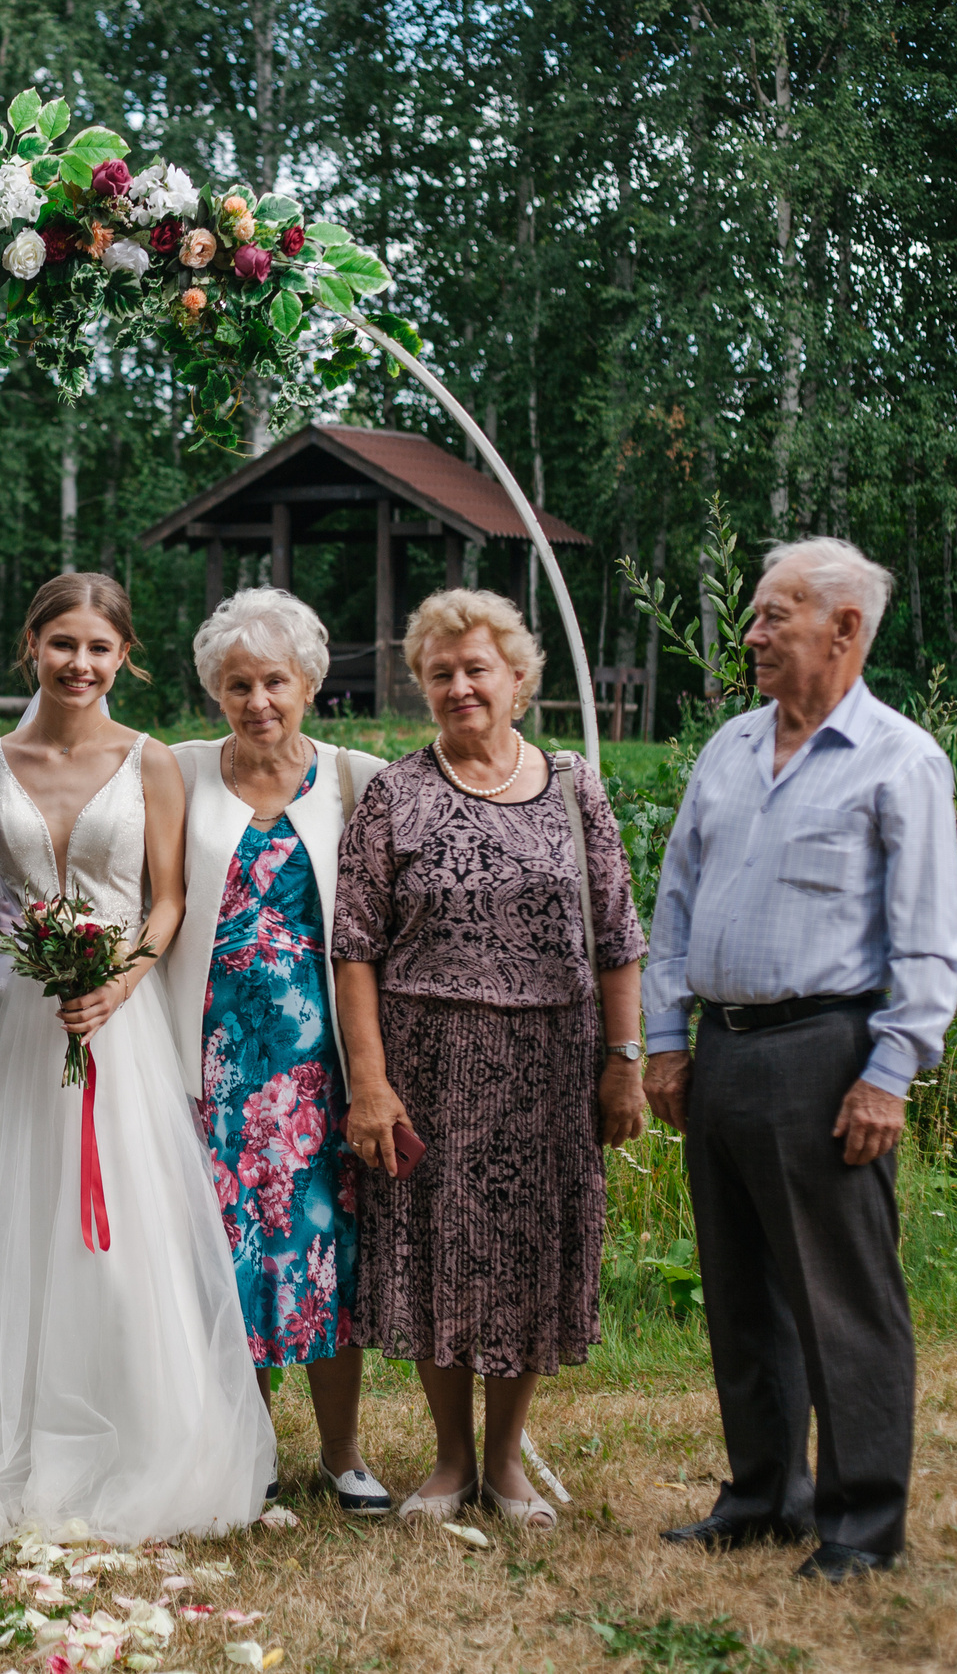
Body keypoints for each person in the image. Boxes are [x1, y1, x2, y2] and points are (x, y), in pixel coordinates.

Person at [0, 573, 275, 1546]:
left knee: (115, 1238)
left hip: (110, 1025)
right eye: (62, 645)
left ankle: (133, 1436)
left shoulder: (150, 764)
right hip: (7, 1024)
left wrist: (119, 981)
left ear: (123, 657)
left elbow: (167, 899)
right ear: (29, 648)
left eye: (99, 648)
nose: (80, 664)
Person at [644, 538, 957, 1583]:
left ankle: (862, 1525)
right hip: (722, 1052)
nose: (753, 634)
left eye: (775, 614)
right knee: (740, 1293)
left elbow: (925, 938)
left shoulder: (899, 760)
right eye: (755, 614)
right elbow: (676, 902)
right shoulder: (729, 748)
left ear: (844, 629)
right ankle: (758, 1496)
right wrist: (662, 1039)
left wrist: (890, 1072)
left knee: (842, 1300)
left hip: (829, 1055)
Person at [332, 588, 646, 1533]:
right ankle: (450, 1458)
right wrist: (371, 1082)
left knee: (528, 1252)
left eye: (477, 669)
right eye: (441, 673)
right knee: (438, 1254)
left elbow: (618, 932)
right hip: (430, 1061)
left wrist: (623, 1061)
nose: (461, 686)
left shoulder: (574, 783)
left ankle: (507, 1460)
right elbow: (352, 946)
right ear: (422, 686)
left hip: (551, 1062)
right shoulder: (396, 794)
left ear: (519, 677)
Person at [164, 588, 390, 1515]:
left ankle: (341, 1455)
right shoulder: (176, 769)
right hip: (210, 1063)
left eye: (275, 682)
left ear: (309, 685)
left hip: (317, 1072)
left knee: (323, 1255)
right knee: (225, 1257)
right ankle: (246, 1456)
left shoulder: (355, 778)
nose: (258, 700)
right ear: (216, 690)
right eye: (237, 683)